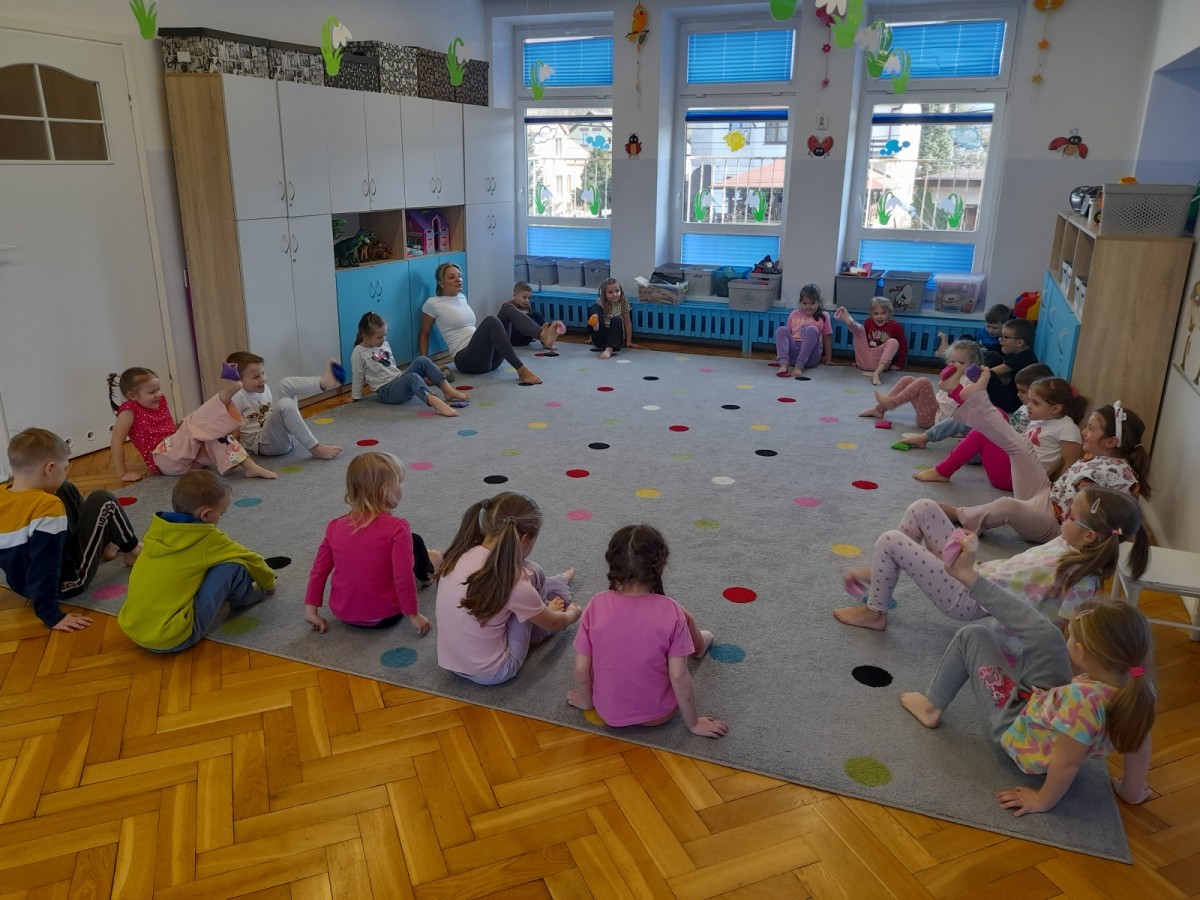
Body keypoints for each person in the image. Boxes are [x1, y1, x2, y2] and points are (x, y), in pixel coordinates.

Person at [899, 541, 1154, 816]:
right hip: (1048, 711)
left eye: (1072, 635)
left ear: (1081, 652)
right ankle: (969, 577)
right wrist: (1132, 790)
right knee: (1047, 635)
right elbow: (1139, 744)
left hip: (1020, 734)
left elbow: (1067, 763)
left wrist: (1042, 800)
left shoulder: (1082, 704)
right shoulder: (1140, 686)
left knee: (973, 636)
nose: (1067, 635)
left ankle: (931, 707)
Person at [834, 488, 1147, 633]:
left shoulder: (1083, 579)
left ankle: (875, 612)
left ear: (1090, 536)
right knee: (923, 507)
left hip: (969, 597)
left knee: (890, 540)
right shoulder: (1069, 540)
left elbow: (1060, 630)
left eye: (1070, 515)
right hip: (975, 572)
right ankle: (881, 573)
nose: (1062, 515)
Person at [942, 372, 1150, 543]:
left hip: (1054, 524)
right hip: (1046, 496)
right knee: (1021, 447)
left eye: (1091, 429)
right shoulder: (1097, 457)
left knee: (1007, 506)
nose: (1084, 432)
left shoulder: (1123, 478)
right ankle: (977, 401)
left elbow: (1117, 525)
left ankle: (962, 515)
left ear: (1111, 442)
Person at [568, 525, 727, 738]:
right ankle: (698, 644)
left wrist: (587, 702)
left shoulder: (595, 605)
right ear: (660, 566)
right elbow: (679, 675)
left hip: (607, 712)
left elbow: (581, 669)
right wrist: (694, 723)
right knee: (681, 617)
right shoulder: (671, 611)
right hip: (659, 715)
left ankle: (697, 643)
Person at [118, 470, 276, 653]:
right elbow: (252, 560)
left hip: (134, 629)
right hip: (173, 638)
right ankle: (244, 598)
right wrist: (268, 583)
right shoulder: (208, 538)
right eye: (222, 514)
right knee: (233, 565)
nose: (221, 518)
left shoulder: (158, 531)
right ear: (206, 514)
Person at [1, 428, 141, 632]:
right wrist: (51, 614)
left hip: (22, 584)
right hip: (67, 581)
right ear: (49, 468)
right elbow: (45, 564)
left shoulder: (3, 496)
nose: (66, 472)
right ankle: (132, 550)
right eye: (64, 467)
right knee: (103, 500)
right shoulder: (47, 506)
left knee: (64, 488)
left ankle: (105, 542)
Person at [435, 492, 580, 685]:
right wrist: (573, 614)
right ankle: (539, 623)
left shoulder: (457, 554)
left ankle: (545, 594)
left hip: (449, 662)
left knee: (524, 577)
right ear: (524, 538)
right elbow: (554, 623)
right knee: (533, 571)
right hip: (494, 672)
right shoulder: (515, 581)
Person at [304, 452, 435, 635]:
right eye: (400, 482)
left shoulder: (335, 526)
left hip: (344, 613)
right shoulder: (398, 527)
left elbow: (319, 568)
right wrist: (413, 614)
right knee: (419, 544)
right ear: (385, 490)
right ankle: (428, 574)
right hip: (387, 615)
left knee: (409, 543)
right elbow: (403, 575)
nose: (402, 487)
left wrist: (311, 610)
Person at [107, 366, 276, 481]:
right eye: (152, 392)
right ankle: (226, 394)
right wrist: (123, 474)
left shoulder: (159, 400)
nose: (158, 394)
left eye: (158, 389)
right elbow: (116, 442)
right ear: (132, 396)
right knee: (192, 423)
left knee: (213, 432)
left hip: (183, 456)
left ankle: (250, 467)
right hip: (163, 458)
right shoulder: (128, 411)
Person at [915, 376, 1087, 487]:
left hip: (1019, 480)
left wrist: (1054, 493)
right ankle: (959, 408)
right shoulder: (1042, 419)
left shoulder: (1067, 429)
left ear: (1056, 408)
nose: (1028, 406)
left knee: (982, 431)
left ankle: (943, 471)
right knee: (995, 414)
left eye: (1035, 403)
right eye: (1030, 401)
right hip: (1014, 465)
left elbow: (1070, 466)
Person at [419, 263, 543, 385]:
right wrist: (424, 367)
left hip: (490, 360)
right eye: (452, 277)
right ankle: (522, 370)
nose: (458, 280)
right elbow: (424, 334)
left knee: (507, 309)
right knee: (491, 321)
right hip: (467, 360)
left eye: (459, 276)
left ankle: (542, 334)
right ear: (441, 283)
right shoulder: (432, 304)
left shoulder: (461, 298)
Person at [899, 362, 1052, 451]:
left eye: (1023, 392)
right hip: (1002, 438)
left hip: (1006, 448)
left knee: (978, 423)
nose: (1019, 395)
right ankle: (925, 437)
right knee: (969, 414)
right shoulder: (1025, 408)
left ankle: (969, 446)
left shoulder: (1041, 415)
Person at [225, 351, 343, 460]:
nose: (263, 379)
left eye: (263, 373)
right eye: (256, 377)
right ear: (238, 380)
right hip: (264, 446)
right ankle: (315, 448)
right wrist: (237, 458)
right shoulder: (238, 396)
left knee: (284, 384)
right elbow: (224, 431)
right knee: (285, 403)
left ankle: (323, 383)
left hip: (286, 439)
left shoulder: (264, 388)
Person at [351, 312, 470, 417]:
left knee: (422, 360)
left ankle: (448, 391)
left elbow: (390, 368)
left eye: (385, 335)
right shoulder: (359, 352)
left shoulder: (383, 343)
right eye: (379, 337)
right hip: (386, 392)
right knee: (412, 377)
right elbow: (357, 374)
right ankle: (437, 405)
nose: (383, 339)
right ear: (365, 336)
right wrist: (355, 396)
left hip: (398, 381)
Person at [859, 339, 983, 429]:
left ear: (974, 365)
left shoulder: (970, 381)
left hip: (934, 420)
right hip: (933, 409)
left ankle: (892, 402)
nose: (955, 365)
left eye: (961, 363)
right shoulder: (953, 374)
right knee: (907, 379)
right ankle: (879, 409)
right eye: (952, 361)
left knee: (924, 382)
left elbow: (967, 408)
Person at [834, 297, 908, 385]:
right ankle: (851, 323)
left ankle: (877, 373)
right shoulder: (868, 322)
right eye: (876, 313)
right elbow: (861, 341)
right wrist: (858, 359)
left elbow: (903, 345)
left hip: (880, 363)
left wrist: (899, 364)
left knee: (893, 342)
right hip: (863, 360)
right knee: (860, 331)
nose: (879, 317)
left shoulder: (895, 326)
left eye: (883, 313)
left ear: (889, 313)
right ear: (871, 314)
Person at [774, 283, 832, 378]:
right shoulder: (794, 314)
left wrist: (828, 359)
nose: (808, 306)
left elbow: (827, 338)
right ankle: (783, 364)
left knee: (812, 329)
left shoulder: (824, 316)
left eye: (812, 303)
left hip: (810, 357)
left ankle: (799, 366)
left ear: (818, 303)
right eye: (805, 303)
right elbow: (785, 338)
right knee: (781, 330)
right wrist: (780, 355)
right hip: (792, 355)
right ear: (800, 302)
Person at [985, 318, 1039, 414]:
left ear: (1019, 343)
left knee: (988, 375)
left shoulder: (1025, 357)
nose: (1000, 339)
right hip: (1010, 390)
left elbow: (991, 373)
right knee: (993, 356)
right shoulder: (1017, 352)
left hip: (1014, 401)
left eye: (1005, 337)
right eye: (1001, 336)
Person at [498, 281, 564, 350]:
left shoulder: (527, 306)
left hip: (526, 336)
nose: (527, 300)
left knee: (536, 314)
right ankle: (542, 333)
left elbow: (530, 321)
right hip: (515, 339)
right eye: (524, 297)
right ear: (515, 295)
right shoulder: (508, 307)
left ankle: (545, 340)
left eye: (529, 298)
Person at [587, 277, 638, 360]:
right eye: (610, 292)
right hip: (601, 338)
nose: (614, 294)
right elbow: (595, 319)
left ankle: (609, 349)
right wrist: (591, 338)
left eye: (617, 291)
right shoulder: (601, 302)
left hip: (615, 339)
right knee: (595, 307)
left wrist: (628, 341)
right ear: (605, 294)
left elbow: (627, 322)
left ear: (621, 291)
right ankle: (596, 327)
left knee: (616, 319)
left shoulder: (623, 302)